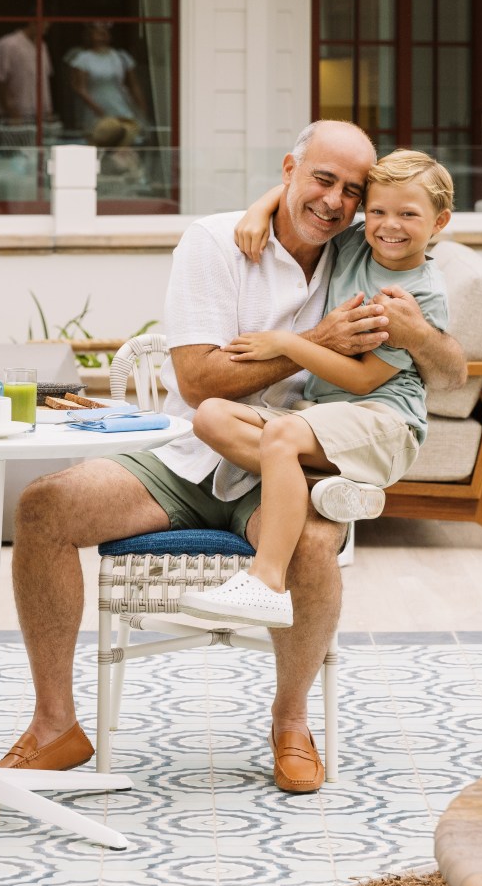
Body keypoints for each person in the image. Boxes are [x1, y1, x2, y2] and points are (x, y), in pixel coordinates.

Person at [0, 121, 467, 794]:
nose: (335, 202)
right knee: (45, 505)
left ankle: (290, 723)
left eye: (351, 191)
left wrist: (424, 336)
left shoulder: (360, 247)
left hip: (293, 453)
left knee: (311, 545)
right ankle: (55, 726)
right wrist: (311, 335)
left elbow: (447, 367)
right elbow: (197, 383)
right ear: (288, 170)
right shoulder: (218, 242)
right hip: (195, 450)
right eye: (322, 180)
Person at [180, 150, 454, 629]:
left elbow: (364, 379)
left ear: (439, 222)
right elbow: (311, 204)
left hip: (383, 420)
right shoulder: (355, 246)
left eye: (409, 214)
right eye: (379, 211)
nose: (390, 226)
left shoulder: (413, 295)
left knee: (281, 438)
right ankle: (325, 490)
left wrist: (287, 343)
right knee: (211, 417)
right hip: (324, 415)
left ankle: (265, 583)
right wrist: (260, 209)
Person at [66, 22, 148, 133]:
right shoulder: (83, 59)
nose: (102, 36)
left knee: (124, 135)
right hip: (96, 105)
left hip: (120, 103)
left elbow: (134, 85)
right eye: (98, 33)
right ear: (90, 35)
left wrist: (142, 109)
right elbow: (80, 87)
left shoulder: (121, 57)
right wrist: (97, 109)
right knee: (102, 136)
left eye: (105, 32)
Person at [0, 21, 52, 125]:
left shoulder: (42, 46)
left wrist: (48, 112)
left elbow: (45, 81)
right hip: (16, 115)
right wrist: (11, 111)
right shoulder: (7, 45)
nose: (45, 31)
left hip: (40, 116)